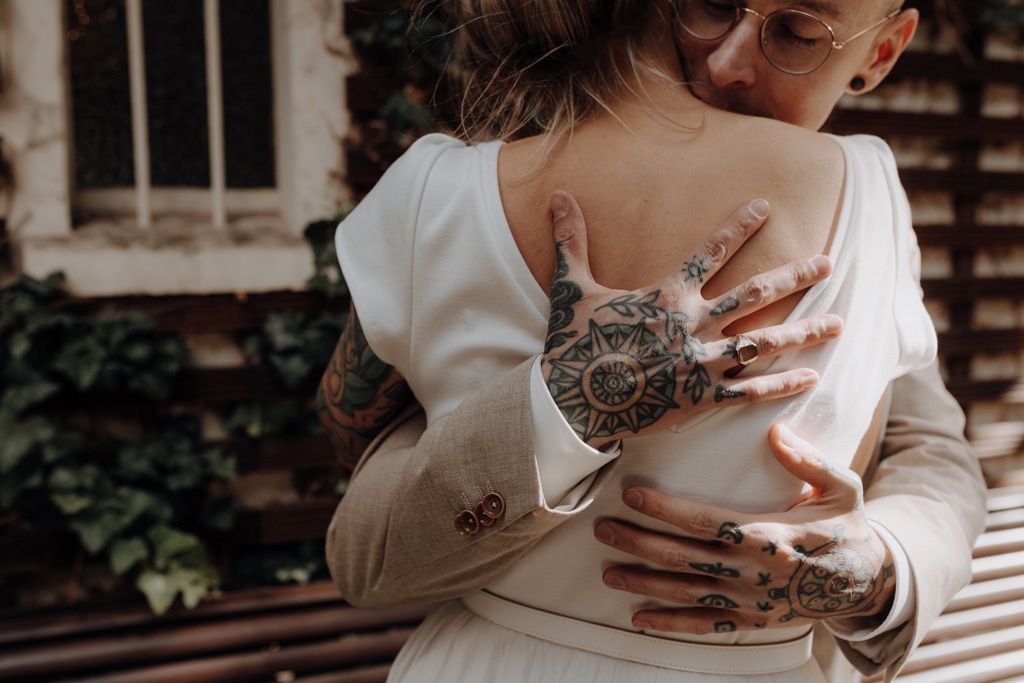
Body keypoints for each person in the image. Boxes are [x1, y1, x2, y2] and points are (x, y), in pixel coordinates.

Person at [321, 0, 986, 681]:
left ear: (881, 54)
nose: (726, 64)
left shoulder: (870, 205)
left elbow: (931, 449)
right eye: (711, 4)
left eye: (796, 34)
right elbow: (362, 541)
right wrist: (562, 408)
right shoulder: (443, 195)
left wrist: (880, 570)